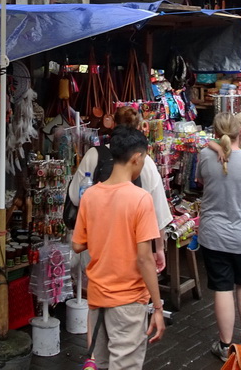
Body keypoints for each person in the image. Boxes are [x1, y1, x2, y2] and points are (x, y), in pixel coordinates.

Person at [72, 126, 166, 370]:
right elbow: (145, 259)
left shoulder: (90, 195)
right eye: (144, 158)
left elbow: (77, 243)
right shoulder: (140, 199)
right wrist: (158, 306)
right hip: (127, 301)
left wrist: (105, 235)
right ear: (136, 157)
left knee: (102, 363)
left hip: (97, 298)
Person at [196, 113, 241, 361]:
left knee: (222, 288)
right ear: (240, 132)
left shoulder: (205, 156)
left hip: (214, 234)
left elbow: (199, 180)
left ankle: (226, 347)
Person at [68, 106, 171, 271]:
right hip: (133, 251)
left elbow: (75, 197)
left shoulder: (93, 154)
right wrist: (158, 249)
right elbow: (159, 212)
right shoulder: (144, 161)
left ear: (113, 125)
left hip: (96, 249)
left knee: (97, 289)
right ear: (139, 128)